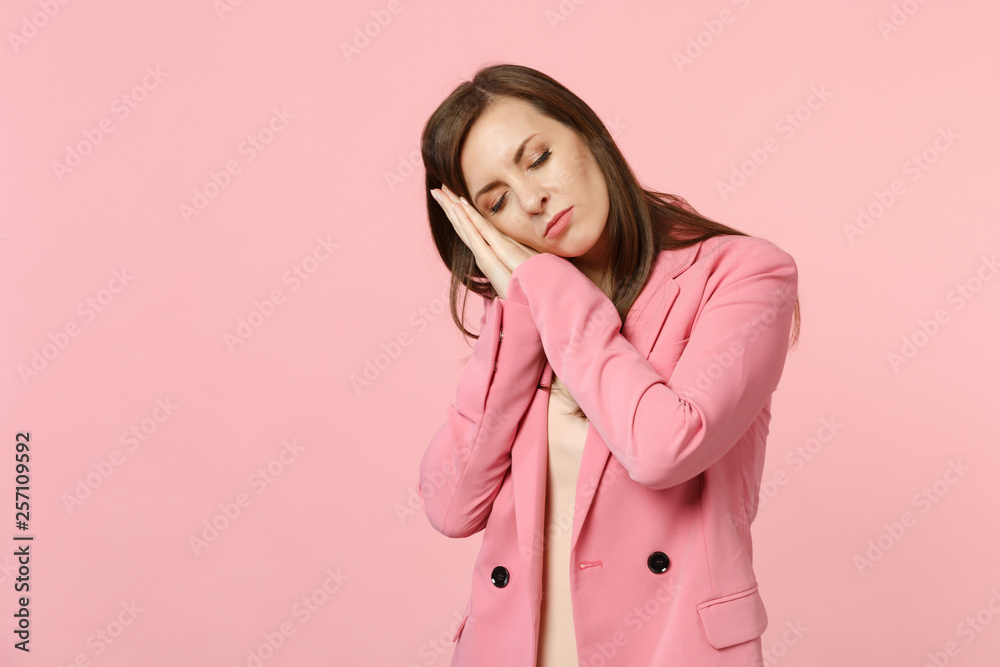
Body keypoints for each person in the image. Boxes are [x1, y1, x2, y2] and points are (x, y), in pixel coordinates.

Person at [417, 63, 801, 667]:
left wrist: (548, 291)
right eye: (498, 201)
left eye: (538, 158)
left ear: (588, 134)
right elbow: (450, 504)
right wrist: (521, 315)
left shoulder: (743, 274)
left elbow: (663, 450)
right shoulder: (521, 312)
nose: (532, 201)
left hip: (670, 648)